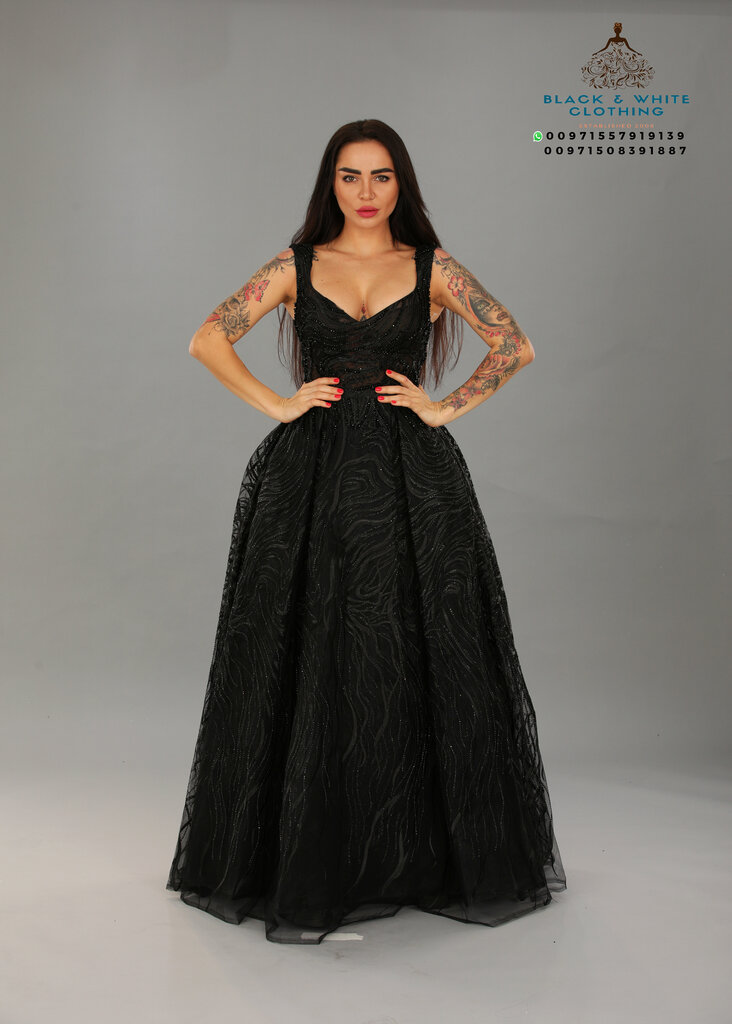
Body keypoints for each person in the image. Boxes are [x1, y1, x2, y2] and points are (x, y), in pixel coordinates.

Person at [166, 118, 567, 945]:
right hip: (309, 483)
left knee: (415, 650)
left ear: (400, 184)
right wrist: (279, 403)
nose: (366, 192)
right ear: (331, 184)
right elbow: (207, 338)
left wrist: (444, 406)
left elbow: (515, 344)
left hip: (412, 483)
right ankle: (311, 858)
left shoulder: (430, 268)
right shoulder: (295, 266)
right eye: (350, 176)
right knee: (308, 651)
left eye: (381, 176)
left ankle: (409, 857)